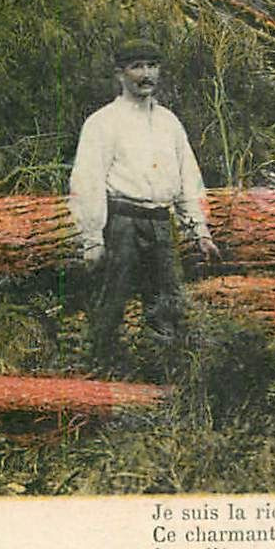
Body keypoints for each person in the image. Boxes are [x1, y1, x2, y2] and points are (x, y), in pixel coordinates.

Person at [68, 32, 221, 367]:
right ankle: (98, 376)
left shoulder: (169, 124)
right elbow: (87, 182)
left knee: (167, 303)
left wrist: (200, 232)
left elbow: (188, 182)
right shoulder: (103, 123)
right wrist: (92, 239)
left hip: (161, 224)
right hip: (121, 222)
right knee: (111, 303)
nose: (146, 74)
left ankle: (165, 380)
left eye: (152, 66)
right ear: (120, 74)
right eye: (137, 67)